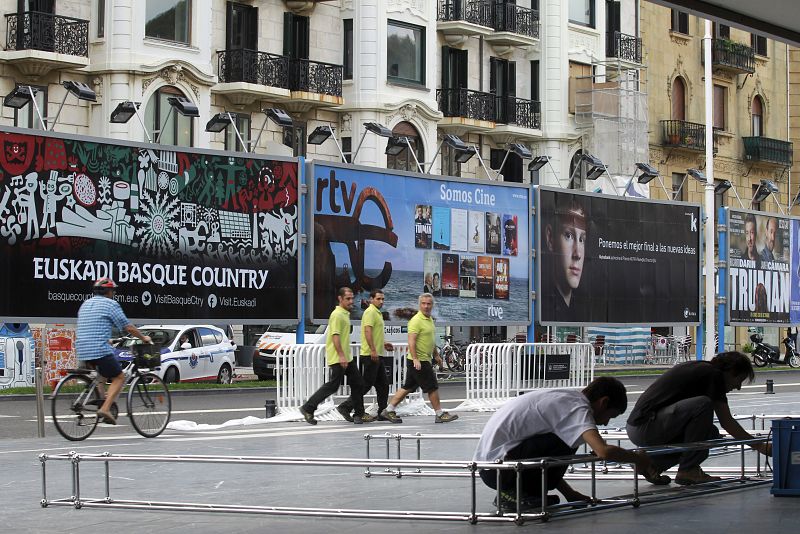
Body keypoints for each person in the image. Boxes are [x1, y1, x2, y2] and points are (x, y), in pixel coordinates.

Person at [473, 377, 656, 510]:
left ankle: (520, 492)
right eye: (610, 416)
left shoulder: (568, 399)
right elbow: (603, 451)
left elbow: (547, 456)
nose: (606, 423)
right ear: (603, 402)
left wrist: (570, 493)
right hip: (500, 471)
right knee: (569, 439)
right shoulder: (577, 408)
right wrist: (637, 459)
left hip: (493, 467)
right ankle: (511, 494)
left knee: (568, 437)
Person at [626, 351, 771, 485]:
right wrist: (759, 446)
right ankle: (688, 469)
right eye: (739, 380)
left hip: (641, 426)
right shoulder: (714, 375)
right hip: (645, 427)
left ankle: (651, 465)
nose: (738, 387)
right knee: (703, 404)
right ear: (731, 371)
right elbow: (727, 422)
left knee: (711, 433)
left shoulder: (704, 369)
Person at [75, 278, 152, 425]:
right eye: (113, 291)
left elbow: (92, 328)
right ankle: (105, 409)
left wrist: (108, 339)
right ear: (109, 291)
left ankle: (101, 401)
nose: (114, 293)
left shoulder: (86, 304)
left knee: (102, 375)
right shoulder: (111, 304)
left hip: (82, 349)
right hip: (98, 349)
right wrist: (143, 337)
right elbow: (127, 327)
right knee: (119, 377)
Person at [380, 293, 458, 424]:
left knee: (408, 387)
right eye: (423, 303)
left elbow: (430, 340)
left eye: (429, 304)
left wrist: (436, 355)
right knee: (432, 386)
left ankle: (388, 410)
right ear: (419, 305)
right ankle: (439, 414)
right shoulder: (416, 320)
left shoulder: (430, 320)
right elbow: (411, 341)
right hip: (419, 360)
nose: (426, 306)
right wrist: (416, 359)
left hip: (423, 359)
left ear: (432, 305)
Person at [300, 287, 372, 425]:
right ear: (340, 299)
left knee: (358, 383)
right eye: (348, 299)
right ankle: (308, 408)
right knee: (333, 385)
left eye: (352, 298)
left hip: (346, 357)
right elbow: (335, 336)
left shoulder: (344, 314)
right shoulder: (337, 315)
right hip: (339, 357)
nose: (351, 301)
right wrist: (341, 356)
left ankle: (358, 414)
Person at [337, 290, 400, 423]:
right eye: (378, 299)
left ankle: (382, 411)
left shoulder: (377, 313)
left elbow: (375, 333)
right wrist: (372, 350)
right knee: (365, 385)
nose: (381, 301)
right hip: (370, 354)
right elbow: (367, 331)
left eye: (383, 299)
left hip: (377, 353)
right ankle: (347, 407)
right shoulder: (370, 312)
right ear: (371, 299)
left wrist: (383, 343)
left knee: (383, 385)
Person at [544, 196, 587, 322]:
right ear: (550, 239)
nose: (577, 254)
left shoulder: (581, 311)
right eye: (568, 236)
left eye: (582, 239)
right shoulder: (544, 308)